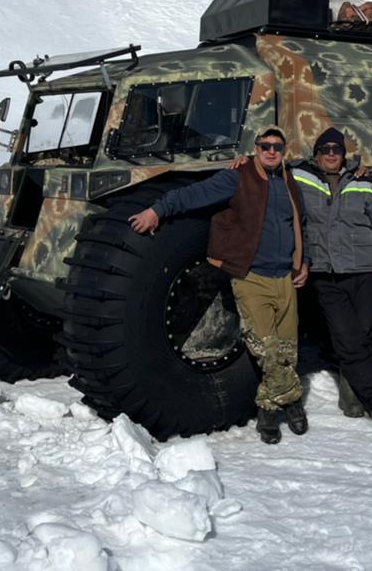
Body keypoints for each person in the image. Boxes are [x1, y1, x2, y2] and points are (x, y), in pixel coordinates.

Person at [128, 127, 309, 444]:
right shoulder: (238, 177)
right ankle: (292, 404)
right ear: (256, 148)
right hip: (252, 277)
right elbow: (192, 195)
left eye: (277, 147)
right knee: (265, 350)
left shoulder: (288, 181)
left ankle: (268, 409)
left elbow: (299, 224)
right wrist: (158, 210)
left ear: (284, 151)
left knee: (286, 352)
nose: (270, 151)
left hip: (285, 278)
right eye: (265, 146)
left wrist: (303, 261)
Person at [291, 127, 372, 423]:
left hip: (363, 269)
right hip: (325, 271)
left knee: (362, 333)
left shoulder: (363, 183)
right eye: (324, 150)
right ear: (316, 154)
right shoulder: (300, 177)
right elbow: (269, 166)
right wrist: (243, 162)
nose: (330, 155)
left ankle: (350, 393)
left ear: (343, 154)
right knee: (346, 335)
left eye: (336, 150)